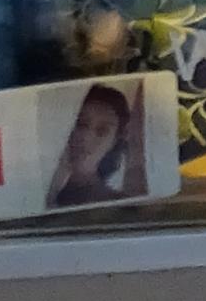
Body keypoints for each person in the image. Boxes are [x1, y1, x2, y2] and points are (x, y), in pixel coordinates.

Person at [44, 78, 143, 208]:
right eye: (80, 123)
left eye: (102, 131)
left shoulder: (120, 205)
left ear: (113, 142)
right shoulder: (36, 187)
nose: (86, 137)